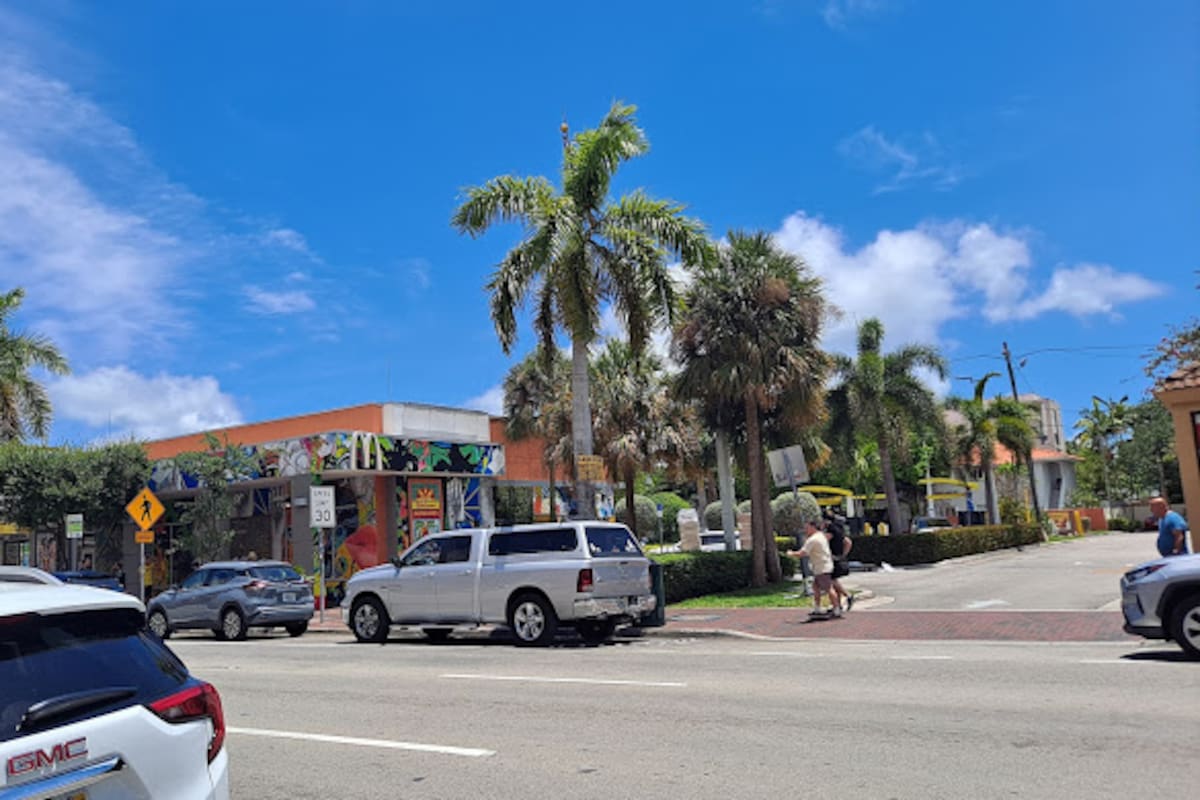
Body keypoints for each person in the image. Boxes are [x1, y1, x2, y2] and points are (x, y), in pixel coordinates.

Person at [794, 519, 838, 618]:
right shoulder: (821, 536)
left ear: (813, 527)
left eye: (807, 527)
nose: (806, 530)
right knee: (816, 587)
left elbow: (803, 553)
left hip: (822, 567)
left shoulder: (813, 539)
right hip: (822, 566)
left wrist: (791, 554)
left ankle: (836, 609)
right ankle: (817, 608)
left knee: (828, 588)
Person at [825, 514, 854, 612]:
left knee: (831, 580)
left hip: (832, 559)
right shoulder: (839, 530)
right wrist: (843, 555)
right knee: (834, 581)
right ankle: (837, 605)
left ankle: (847, 595)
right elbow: (848, 542)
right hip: (837, 558)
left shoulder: (831, 530)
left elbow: (823, 541)